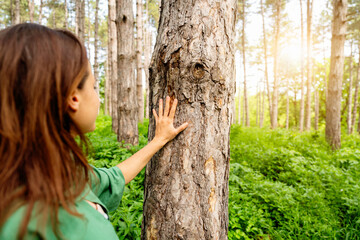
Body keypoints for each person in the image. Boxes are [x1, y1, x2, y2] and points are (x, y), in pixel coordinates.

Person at [0, 23, 188, 239]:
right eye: (93, 86)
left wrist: (158, 140)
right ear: (73, 98)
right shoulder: (31, 223)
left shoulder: (54, 170)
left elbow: (114, 177)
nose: (97, 97)